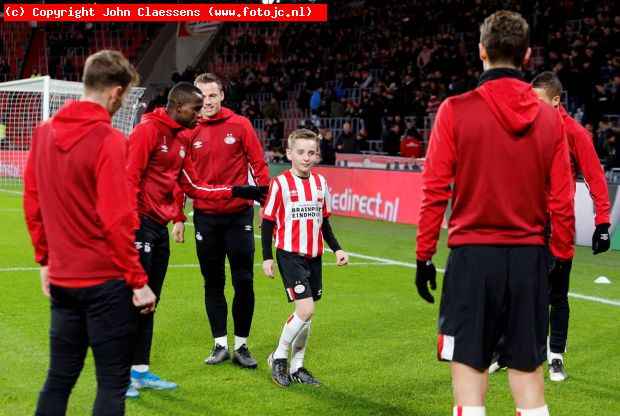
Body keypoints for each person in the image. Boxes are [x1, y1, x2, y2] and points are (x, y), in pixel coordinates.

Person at [414, 11, 575, 416]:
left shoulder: (455, 109)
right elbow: (562, 198)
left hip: (472, 260)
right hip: (528, 259)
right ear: (526, 56)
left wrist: (423, 255)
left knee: (470, 384)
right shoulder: (551, 119)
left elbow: (435, 191)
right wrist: (561, 256)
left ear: (482, 50)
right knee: (528, 381)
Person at [24, 50, 157, 416]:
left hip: (65, 281)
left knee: (59, 378)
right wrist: (137, 280)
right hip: (106, 284)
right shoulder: (110, 140)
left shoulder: (43, 133)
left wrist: (45, 260)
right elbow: (116, 220)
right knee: (112, 384)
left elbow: (32, 205)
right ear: (116, 92)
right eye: (125, 96)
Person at [126, 82, 267, 396]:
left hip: (158, 228)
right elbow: (127, 179)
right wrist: (132, 227)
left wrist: (239, 191)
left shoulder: (181, 139)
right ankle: (119, 376)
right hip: (139, 227)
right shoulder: (148, 132)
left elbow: (195, 186)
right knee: (134, 301)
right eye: (195, 108)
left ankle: (140, 371)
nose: (200, 114)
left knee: (150, 302)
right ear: (178, 108)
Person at [488, 71, 612, 381]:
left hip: (558, 226)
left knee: (556, 295)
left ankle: (554, 356)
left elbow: (596, 178)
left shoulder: (575, 134)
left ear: (556, 101)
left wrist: (603, 222)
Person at [179, 73, 270, 369]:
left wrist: (265, 206)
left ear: (222, 96)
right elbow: (179, 175)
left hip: (238, 216)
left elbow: (258, 165)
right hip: (205, 217)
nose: (207, 101)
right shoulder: (188, 130)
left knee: (244, 280)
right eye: (202, 96)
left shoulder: (240, 125)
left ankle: (242, 346)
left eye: (213, 95)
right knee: (213, 282)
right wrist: (179, 217)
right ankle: (220, 344)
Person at [261, 128, 349, 387]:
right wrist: (267, 257)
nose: (306, 157)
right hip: (289, 254)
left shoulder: (320, 183)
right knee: (306, 309)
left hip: (314, 256)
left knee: (308, 314)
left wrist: (338, 248)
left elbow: (324, 223)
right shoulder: (280, 184)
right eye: (300, 152)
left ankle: (298, 366)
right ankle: (278, 357)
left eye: (311, 153)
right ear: (289, 153)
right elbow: (267, 223)